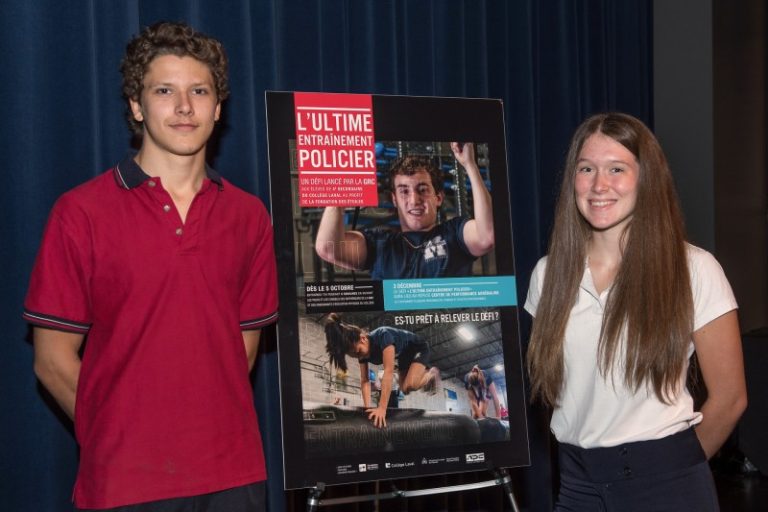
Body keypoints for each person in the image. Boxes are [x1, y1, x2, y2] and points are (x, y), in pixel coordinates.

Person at [23, 22, 278, 511]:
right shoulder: (80, 213)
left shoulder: (249, 217)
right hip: (124, 483)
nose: (184, 106)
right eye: (165, 90)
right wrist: (117, 438)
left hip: (234, 477)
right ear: (138, 107)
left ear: (218, 108)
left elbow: (240, 355)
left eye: (199, 91)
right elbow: (51, 361)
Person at [525, 112, 747, 511]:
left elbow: (730, 399)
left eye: (617, 169)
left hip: (666, 485)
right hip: (576, 486)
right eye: (587, 168)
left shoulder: (693, 269)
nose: (599, 185)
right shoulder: (548, 275)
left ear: (646, 179)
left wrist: (670, 471)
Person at [315, 142, 494, 279]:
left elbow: (486, 236)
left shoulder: (454, 233)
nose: (414, 200)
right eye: (404, 191)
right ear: (394, 199)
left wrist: (470, 165)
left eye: (422, 190)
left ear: (438, 198)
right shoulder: (380, 244)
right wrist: (339, 187)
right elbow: (328, 248)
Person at [324, 313, 440, 428]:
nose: (359, 357)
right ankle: (423, 377)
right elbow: (365, 380)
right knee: (404, 390)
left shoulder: (384, 335)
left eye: (358, 352)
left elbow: (388, 372)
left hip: (417, 348)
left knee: (411, 385)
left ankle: (431, 374)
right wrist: (367, 408)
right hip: (404, 355)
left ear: (363, 338)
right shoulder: (362, 355)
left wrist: (382, 408)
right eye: (354, 355)